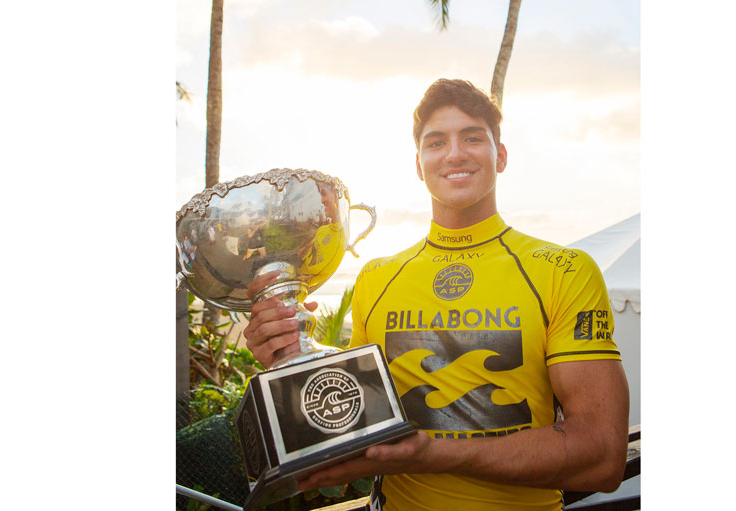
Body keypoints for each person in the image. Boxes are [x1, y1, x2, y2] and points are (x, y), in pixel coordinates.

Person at [243, 79, 629, 511]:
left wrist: (433, 456)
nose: (454, 154)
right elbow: (358, 418)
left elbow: (602, 457)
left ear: (501, 156)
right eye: (436, 142)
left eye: (473, 138)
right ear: (418, 164)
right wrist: (290, 353)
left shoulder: (563, 270)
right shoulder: (377, 277)